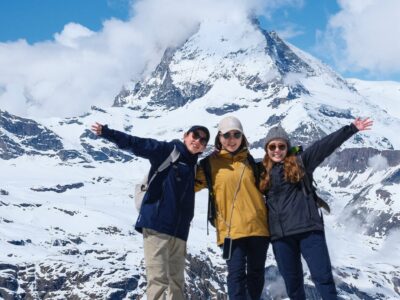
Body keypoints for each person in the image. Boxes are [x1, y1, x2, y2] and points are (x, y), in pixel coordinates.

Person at [91, 122, 210, 300]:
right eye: (195, 135)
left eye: (203, 140)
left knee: (177, 283)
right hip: (157, 226)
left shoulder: (194, 166)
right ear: (185, 135)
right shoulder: (167, 151)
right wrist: (108, 133)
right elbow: (136, 143)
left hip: (180, 232)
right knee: (158, 280)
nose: (198, 141)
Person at [259, 117, 373, 300]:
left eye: (281, 146)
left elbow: (324, 146)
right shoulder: (261, 172)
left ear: (287, 146)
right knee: (293, 284)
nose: (277, 151)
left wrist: (351, 129)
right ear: (267, 149)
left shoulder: (301, 162)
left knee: (323, 278)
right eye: (272, 147)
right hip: (281, 238)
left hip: (308, 231)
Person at [195, 116, 270, 300]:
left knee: (256, 275)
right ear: (219, 138)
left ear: (242, 137)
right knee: (235, 276)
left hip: (258, 227)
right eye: (226, 135)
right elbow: (187, 185)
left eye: (236, 134)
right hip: (230, 231)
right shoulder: (208, 165)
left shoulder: (251, 162)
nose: (231, 139)